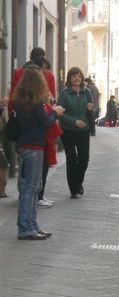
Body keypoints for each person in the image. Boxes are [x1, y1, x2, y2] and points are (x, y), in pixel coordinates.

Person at [11, 67, 64, 239]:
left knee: (31, 187)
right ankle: (27, 227)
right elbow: (46, 122)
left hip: (23, 145)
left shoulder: (21, 99)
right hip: (34, 147)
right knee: (31, 188)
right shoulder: (36, 100)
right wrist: (55, 113)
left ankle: (32, 225)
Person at [57, 67, 95, 199]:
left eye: (79, 76)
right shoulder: (64, 94)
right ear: (69, 78)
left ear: (82, 78)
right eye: (73, 76)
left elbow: (93, 113)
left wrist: (91, 110)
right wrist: (74, 122)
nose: (76, 78)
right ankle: (73, 189)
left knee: (84, 159)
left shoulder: (87, 92)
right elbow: (59, 114)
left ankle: (78, 182)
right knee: (72, 159)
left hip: (83, 131)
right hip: (68, 131)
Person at [37, 58, 63, 209]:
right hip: (38, 138)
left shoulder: (44, 87)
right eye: (42, 68)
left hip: (44, 137)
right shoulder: (34, 92)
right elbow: (45, 119)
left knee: (44, 167)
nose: (45, 72)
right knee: (38, 170)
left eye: (46, 68)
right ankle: (37, 197)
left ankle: (40, 195)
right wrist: (54, 112)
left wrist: (51, 105)